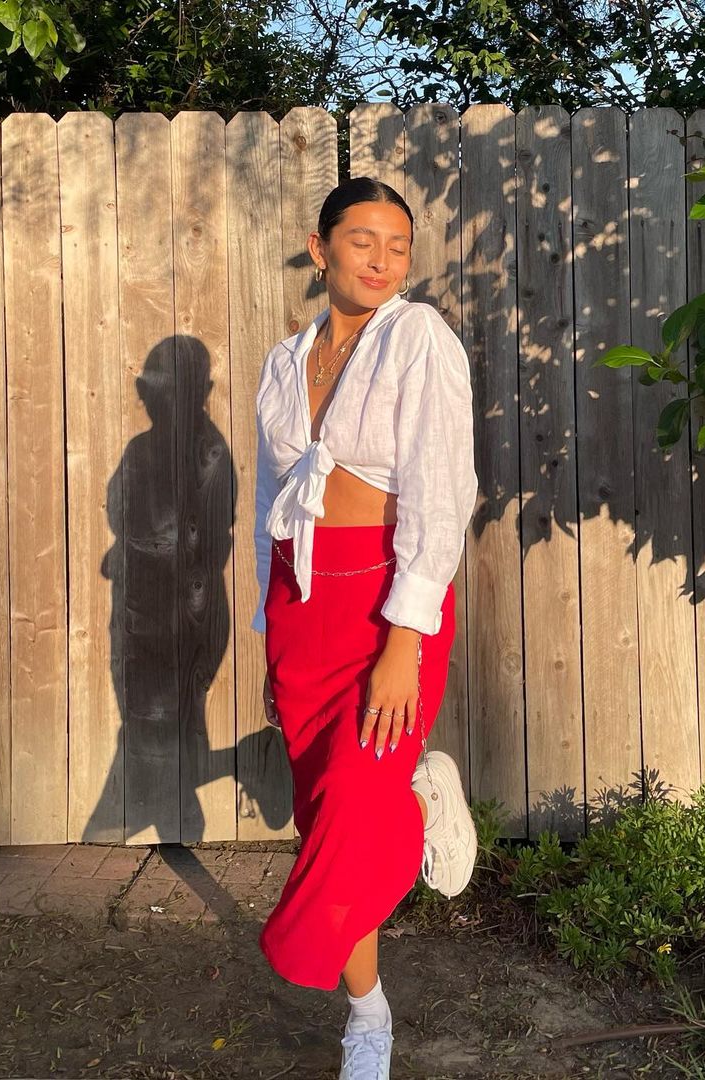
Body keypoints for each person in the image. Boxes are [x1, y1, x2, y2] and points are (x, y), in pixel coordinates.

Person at [251, 175, 479, 1079]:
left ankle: (414, 804)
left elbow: (442, 490)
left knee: (349, 817)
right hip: (301, 604)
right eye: (362, 241)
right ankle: (369, 1016)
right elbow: (271, 510)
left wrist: (404, 641)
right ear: (321, 249)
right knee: (323, 822)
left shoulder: (418, 338)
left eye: (397, 246)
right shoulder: (284, 361)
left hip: (388, 600)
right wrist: (269, 629)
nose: (382, 260)